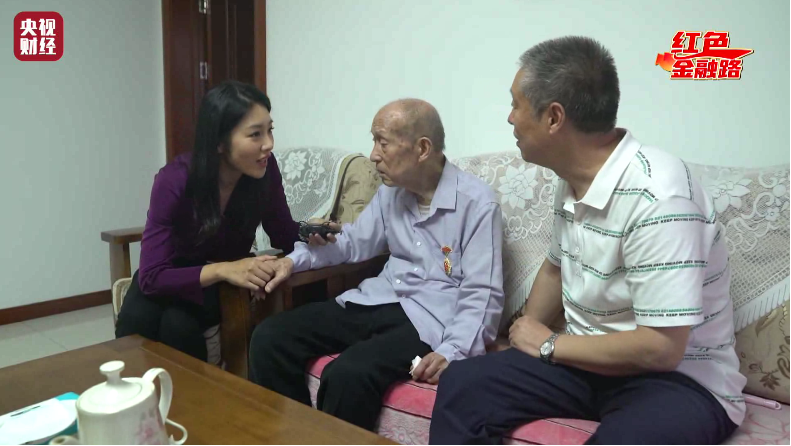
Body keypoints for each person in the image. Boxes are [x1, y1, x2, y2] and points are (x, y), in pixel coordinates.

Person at [429, 36, 747, 445]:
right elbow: (555, 268)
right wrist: (522, 339)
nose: (510, 118)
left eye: (515, 104)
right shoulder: (572, 179)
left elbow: (661, 348)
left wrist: (549, 344)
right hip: (586, 364)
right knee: (462, 385)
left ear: (553, 117)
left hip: (678, 381)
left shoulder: (659, 196)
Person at [248, 99, 505, 431]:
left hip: (430, 320)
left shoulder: (477, 203)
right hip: (378, 299)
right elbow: (352, 242)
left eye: (382, 142)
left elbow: (483, 293)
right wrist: (291, 262)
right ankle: (292, 436)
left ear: (422, 148)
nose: (373, 155)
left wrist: (454, 351)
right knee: (270, 338)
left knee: (348, 373)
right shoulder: (391, 193)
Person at [115, 81, 302, 365]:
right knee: (136, 322)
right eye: (255, 134)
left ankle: (196, 394)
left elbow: (283, 233)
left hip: (215, 289)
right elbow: (152, 277)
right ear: (219, 142)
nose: (269, 144)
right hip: (168, 279)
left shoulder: (265, 170)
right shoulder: (174, 180)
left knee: (179, 326)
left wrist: (313, 232)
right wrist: (224, 269)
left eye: (270, 130)